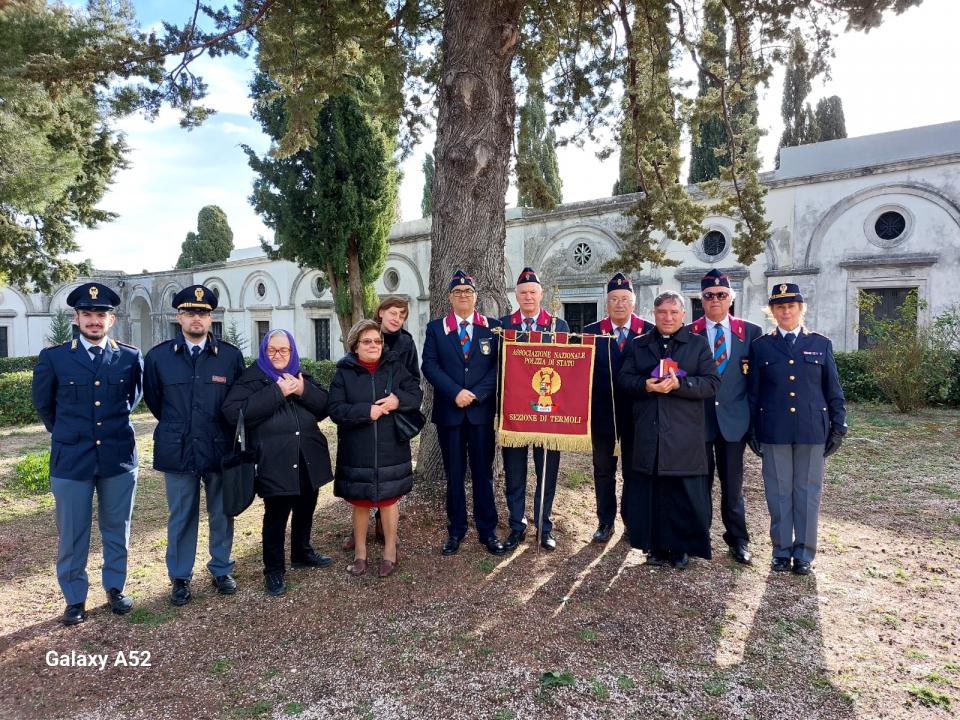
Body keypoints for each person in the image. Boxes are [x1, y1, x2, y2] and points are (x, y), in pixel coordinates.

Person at [31, 282, 143, 626]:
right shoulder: (55, 358)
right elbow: (45, 405)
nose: (94, 321)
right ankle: (75, 598)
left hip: (118, 458)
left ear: (111, 320)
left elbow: (133, 399)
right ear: (76, 318)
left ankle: (115, 588)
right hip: (71, 460)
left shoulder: (129, 356)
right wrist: (70, 433)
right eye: (88, 314)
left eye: (101, 315)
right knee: (73, 533)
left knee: (116, 528)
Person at [143, 285, 245, 607]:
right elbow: (155, 401)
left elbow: (236, 403)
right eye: (189, 312)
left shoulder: (229, 357)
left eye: (202, 313)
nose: (196, 318)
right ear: (179, 317)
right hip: (179, 448)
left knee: (221, 512)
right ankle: (180, 577)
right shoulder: (159, 357)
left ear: (211, 317)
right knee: (182, 515)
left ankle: (221, 569)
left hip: (218, 447)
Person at [222, 330, 334, 596]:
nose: (278, 355)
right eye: (272, 350)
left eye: (284, 350)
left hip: (306, 456)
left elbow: (325, 407)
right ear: (264, 351)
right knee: (276, 516)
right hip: (273, 459)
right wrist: (277, 392)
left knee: (307, 505)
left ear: (292, 352)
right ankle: (273, 570)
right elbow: (233, 413)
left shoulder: (301, 375)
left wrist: (303, 389)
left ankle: (302, 551)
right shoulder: (251, 378)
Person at [748, 283, 847, 575]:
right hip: (774, 429)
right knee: (778, 493)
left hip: (811, 429)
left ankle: (804, 553)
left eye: (791, 306)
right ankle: (781, 550)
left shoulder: (820, 343)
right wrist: (752, 429)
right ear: (773, 312)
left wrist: (839, 426)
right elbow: (754, 393)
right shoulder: (761, 347)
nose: (786, 311)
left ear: (800, 309)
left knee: (807, 492)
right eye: (780, 307)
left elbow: (834, 389)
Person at [616, 291, 720, 569]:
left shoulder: (698, 345)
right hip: (649, 430)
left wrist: (679, 386)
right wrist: (645, 386)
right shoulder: (639, 345)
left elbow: (711, 383)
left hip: (684, 432)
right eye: (662, 312)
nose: (668, 317)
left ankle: (681, 548)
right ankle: (655, 547)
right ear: (654, 314)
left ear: (684, 315)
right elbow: (624, 380)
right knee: (654, 493)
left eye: (674, 312)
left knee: (681, 493)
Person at [329, 319, 423, 578]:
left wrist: (397, 400)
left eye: (377, 341)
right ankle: (360, 554)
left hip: (391, 447)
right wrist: (365, 412)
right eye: (367, 341)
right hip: (357, 449)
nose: (373, 345)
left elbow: (416, 393)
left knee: (389, 501)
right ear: (355, 345)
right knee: (360, 502)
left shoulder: (395, 366)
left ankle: (390, 553)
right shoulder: (344, 372)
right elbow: (335, 409)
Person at [421, 270, 504, 556]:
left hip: (481, 414)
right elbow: (429, 366)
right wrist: (455, 391)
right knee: (454, 475)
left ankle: (488, 530)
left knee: (483, 474)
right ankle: (455, 531)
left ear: (476, 296)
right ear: (450, 298)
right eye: (458, 293)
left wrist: (478, 394)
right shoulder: (436, 329)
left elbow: (499, 367)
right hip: (450, 413)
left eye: (468, 292)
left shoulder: (492, 328)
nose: (463, 296)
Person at [687, 269, 763, 565]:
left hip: (735, 422)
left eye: (721, 295)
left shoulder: (751, 333)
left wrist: (755, 422)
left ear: (731, 298)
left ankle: (738, 539)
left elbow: (756, 383)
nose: (715, 300)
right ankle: (699, 536)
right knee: (699, 482)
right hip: (699, 421)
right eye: (708, 296)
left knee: (733, 485)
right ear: (701, 300)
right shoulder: (689, 333)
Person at [499, 267, 570, 552]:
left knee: (547, 473)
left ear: (541, 294)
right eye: (523, 293)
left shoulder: (558, 326)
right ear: (516, 296)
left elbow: (568, 367)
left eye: (532, 292)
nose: (528, 297)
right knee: (514, 472)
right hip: (515, 414)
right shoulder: (504, 326)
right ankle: (517, 525)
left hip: (547, 414)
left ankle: (545, 526)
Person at [582, 272, 653, 543]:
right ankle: (605, 522)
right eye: (614, 299)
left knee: (634, 471)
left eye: (625, 299)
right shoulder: (592, 332)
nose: (619, 304)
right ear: (606, 303)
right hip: (602, 416)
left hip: (638, 415)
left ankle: (631, 522)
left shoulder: (647, 331)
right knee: (603, 470)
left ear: (633, 302)